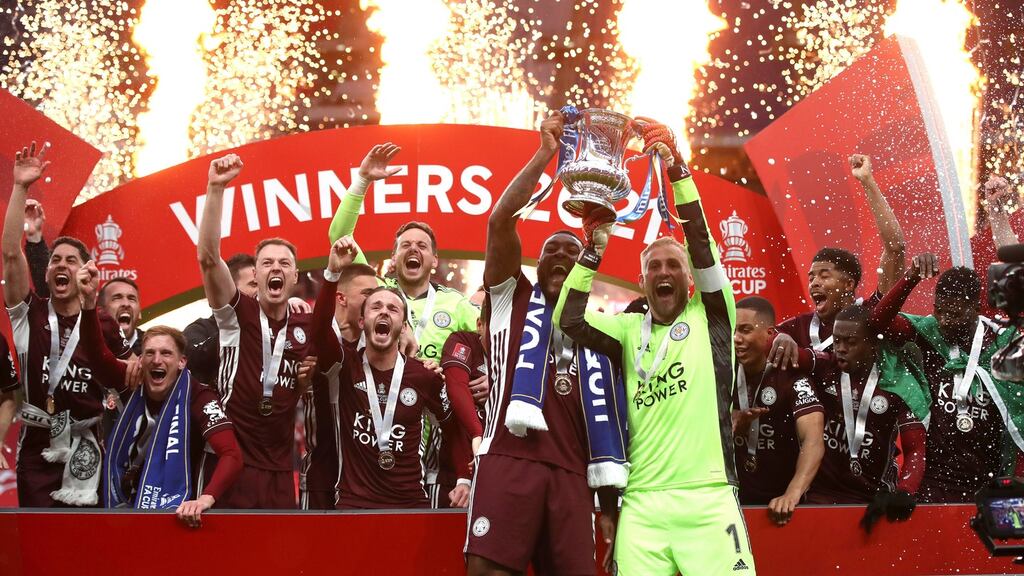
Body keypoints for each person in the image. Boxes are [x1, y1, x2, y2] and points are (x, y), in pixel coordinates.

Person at [556, 117, 754, 576]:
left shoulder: (713, 317)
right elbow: (568, 318)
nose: (664, 272)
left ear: (688, 280)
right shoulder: (627, 331)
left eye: (673, 266)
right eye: (654, 268)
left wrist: (678, 171)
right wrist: (593, 250)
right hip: (642, 505)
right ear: (642, 282)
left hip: (708, 500)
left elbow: (701, 244)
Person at [466, 112, 623, 576]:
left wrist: (609, 503)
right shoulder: (511, 300)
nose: (559, 256)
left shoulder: (602, 331)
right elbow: (499, 223)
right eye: (550, 251)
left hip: (575, 474)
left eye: (572, 252)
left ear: (587, 267)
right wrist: (544, 155)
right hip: (510, 461)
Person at [327, 143, 481, 506]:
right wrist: (362, 181)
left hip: (439, 437)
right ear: (393, 260)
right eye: (405, 245)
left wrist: (491, 375)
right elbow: (340, 238)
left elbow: (492, 342)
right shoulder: (378, 297)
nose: (414, 249)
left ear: (433, 261)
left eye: (423, 246)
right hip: (373, 434)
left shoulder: (455, 305)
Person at [308, 236, 474, 509]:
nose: (384, 312)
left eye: (393, 309)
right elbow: (318, 332)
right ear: (362, 321)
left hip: (410, 506)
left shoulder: (424, 376)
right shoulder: (343, 365)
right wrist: (332, 273)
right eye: (376, 307)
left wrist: (464, 478)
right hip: (353, 506)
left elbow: (453, 427)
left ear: (402, 324)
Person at [74, 261, 242, 527]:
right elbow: (97, 356)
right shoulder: (132, 378)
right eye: (149, 353)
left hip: (178, 512)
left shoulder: (198, 396)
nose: (157, 360)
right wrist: (87, 304)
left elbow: (232, 454)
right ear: (140, 360)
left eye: (166, 354)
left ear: (182, 362)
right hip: (121, 505)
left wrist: (206, 498)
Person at [196, 154, 314, 509]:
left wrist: (404, 336)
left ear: (294, 278)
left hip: (281, 467)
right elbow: (207, 258)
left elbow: (358, 326)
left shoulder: (307, 324)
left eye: (284, 264)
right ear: (256, 276)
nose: (275, 268)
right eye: (266, 263)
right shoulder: (237, 313)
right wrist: (215, 188)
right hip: (230, 460)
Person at [2, 141, 108, 506]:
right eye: (55, 260)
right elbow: (10, 253)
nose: (61, 265)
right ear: (46, 273)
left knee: (85, 550)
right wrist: (20, 188)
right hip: (38, 450)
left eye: (71, 260)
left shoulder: (101, 324)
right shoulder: (28, 313)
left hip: (87, 445)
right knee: (40, 550)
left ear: (87, 272)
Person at [870, 258, 1024, 503]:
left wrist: (1020, 475)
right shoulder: (930, 333)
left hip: (990, 483)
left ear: (975, 307)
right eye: (938, 310)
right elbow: (877, 323)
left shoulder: (1003, 343)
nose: (943, 320)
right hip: (934, 481)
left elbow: (1020, 411)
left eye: (953, 313)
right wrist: (911, 277)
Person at [803, 302, 930, 532]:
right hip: (820, 496)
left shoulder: (898, 386)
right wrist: (781, 342)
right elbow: (798, 357)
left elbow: (916, 450)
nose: (840, 348)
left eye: (850, 342)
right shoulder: (825, 367)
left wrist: (905, 490)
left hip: (872, 499)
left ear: (873, 344)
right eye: (837, 340)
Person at [769, 154, 906, 366]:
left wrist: (867, 182)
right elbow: (764, 337)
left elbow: (895, 248)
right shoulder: (800, 327)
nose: (814, 282)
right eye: (812, 277)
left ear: (849, 284)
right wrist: (779, 337)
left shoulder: (871, 313)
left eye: (824, 276)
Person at [730, 296, 825, 526]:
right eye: (733, 330)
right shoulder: (722, 373)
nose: (736, 339)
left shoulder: (791, 376)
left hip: (780, 506)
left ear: (770, 334)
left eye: (745, 330)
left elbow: (813, 440)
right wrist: (726, 425)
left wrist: (792, 493)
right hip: (730, 505)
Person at [299, 262, 377, 510]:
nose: (373, 300)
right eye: (366, 294)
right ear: (341, 298)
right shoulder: (315, 336)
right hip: (322, 474)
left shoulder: (379, 344)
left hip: (369, 480)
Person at [184, 253, 310, 386]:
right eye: (254, 284)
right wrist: (240, 324)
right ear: (229, 290)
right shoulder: (199, 330)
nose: (262, 290)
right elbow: (193, 362)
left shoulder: (280, 327)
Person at [97, 277, 144, 356]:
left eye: (131, 299)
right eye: (117, 298)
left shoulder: (153, 348)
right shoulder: (87, 346)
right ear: (101, 311)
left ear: (139, 312)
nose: (126, 304)